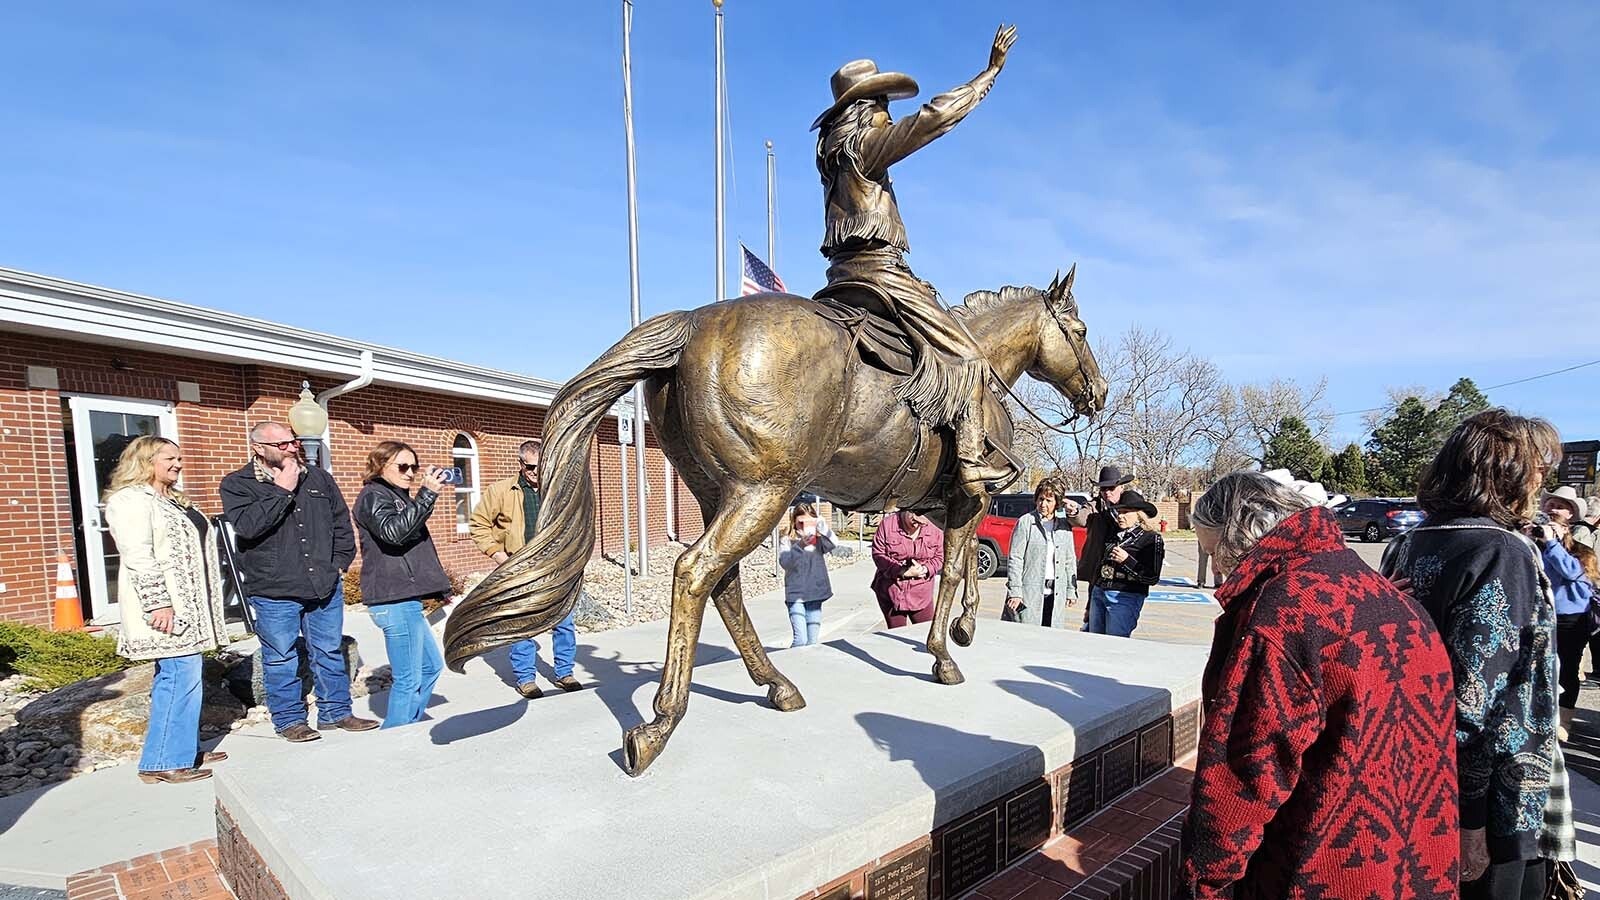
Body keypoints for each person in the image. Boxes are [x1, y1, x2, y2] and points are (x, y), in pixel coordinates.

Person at [1179, 472, 1457, 898]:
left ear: (1241, 534)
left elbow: (1247, 768)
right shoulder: (1381, 592)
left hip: (1323, 867)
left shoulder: (1288, 608)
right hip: (1416, 862)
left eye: (1216, 551)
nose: (1216, 568)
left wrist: (1205, 881)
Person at [813, 25, 1019, 497]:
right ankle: (969, 460)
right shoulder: (865, 146)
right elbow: (931, 119)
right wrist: (987, 75)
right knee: (967, 354)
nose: (889, 111)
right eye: (882, 102)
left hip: (840, 273)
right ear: (865, 108)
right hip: (878, 270)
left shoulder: (833, 154)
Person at [1381, 409, 1574, 898]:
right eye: (1536, 470)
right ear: (1506, 474)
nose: (1540, 483)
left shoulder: (1406, 543)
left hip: (1414, 777)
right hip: (1492, 804)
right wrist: (1470, 822)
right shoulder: (1500, 550)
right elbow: (1476, 701)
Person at [220, 421, 376, 741]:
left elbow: (340, 524)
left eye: (293, 442)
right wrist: (282, 490)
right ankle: (290, 720)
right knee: (280, 657)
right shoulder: (238, 484)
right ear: (258, 448)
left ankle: (337, 712)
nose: (292, 448)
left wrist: (339, 564)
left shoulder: (319, 478)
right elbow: (249, 527)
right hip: (274, 588)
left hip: (323, 583)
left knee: (329, 650)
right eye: (282, 445)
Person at [103, 437, 233, 784]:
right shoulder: (131, 501)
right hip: (167, 610)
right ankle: (163, 761)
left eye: (179, 458)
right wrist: (157, 602)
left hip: (190, 608)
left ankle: (180, 749)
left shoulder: (171, 500)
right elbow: (138, 555)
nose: (177, 464)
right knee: (179, 678)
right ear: (145, 461)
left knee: (183, 678)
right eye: (169, 459)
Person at [468, 440, 582, 699]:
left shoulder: (556, 489)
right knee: (522, 624)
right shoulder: (501, 491)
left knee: (564, 622)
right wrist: (499, 555)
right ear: (520, 464)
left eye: (541, 467)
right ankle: (526, 678)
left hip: (556, 568)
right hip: (521, 568)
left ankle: (565, 672)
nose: (536, 472)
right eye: (531, 467)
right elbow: (478, 524)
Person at [353, 442, 452, 728]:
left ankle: (407, 724)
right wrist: (427, 495)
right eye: (402, 466)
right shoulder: (373, 496)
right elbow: (395, 534)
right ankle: (395, 738)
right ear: (381, 466)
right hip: (392, 599)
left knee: (430, 666)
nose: (410, 473)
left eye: (414, 467)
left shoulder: (399, 497)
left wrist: (437, 589)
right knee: (409, 677)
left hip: (406, 597)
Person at [1531, 500, 1595, 742]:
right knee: (1541, 667)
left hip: (1572, 619)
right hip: (1543, 615)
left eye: (1559, 506)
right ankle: (1542, 715)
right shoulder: (1538, 547)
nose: (1552, 509)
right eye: (1550, 504)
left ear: (1567, 525)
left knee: (1568, 669)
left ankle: (1564, 720)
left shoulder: (1582, 551)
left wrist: (1552, 543)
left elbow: (1570, 572)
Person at [1085, 490, 1163, 637]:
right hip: (1099, 592)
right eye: (1119, 511)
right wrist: (1090, 602)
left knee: (1115, 644)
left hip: (1125, 597)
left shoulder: (1151, 539)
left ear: (1139, 514)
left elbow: (1152, 577)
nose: (1120, 516)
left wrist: (1127, 561)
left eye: (1126, 512)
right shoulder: (1113, 533)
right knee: (1094, 642)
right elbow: (1099, 567)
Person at [1002, 479, 1079, 628]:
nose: (1043, 504)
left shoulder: (1064, 526)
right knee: (1026, 636)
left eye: (1049, 500)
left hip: (1055, 594)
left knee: (1050, 639)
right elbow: (1015, 559)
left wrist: (1071, 589)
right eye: (1041, 499)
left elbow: (1069, 559)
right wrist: (1015, 591)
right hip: (1029, 594)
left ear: (1057, 503)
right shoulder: (1026, 522)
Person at [1068, 466, 1134, 623]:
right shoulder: (1094, 505)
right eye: (1103, 488)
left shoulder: (1131, 504)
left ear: (1121, 487)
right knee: (1093, 616)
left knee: (1119, 623)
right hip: (1100, 569)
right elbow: (1082, 518)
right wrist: (1073, 512)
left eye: (1111, 488)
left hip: (1124, 573)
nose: (1107, 492)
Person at [870, 509, 945, 628]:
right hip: (892, 593)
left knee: (925, 632)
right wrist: (902, 571)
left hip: (921, 594)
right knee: (897, 634)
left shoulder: (935, 528)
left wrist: (925, 569)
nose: (916, 525)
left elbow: (940, 557)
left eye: (921, 523)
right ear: (908, 508)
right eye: (914, 520)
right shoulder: (887, 524)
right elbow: (878, 555)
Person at [778, 502, 834, 647]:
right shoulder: (787, 540)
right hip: (795, 596)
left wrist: (821, 526)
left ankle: (807, 667)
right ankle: (792, 664)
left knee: (812, 642)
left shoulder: (819, 541)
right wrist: (800, 546)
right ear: (794, 522)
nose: (803, 526)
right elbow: (785, 562)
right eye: (800, 523)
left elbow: (834, 543)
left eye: (808, 522)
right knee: (800, 639)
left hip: (815, 594)